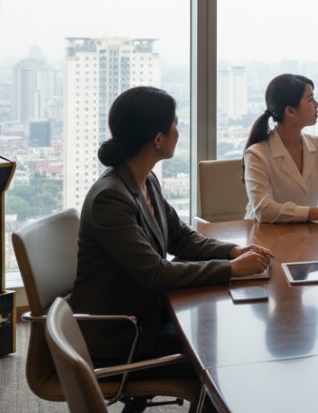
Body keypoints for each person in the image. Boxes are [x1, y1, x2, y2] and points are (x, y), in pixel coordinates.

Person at [71, 86, 274, 363]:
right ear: (157, 138)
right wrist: (232, 270)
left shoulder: (145, 180)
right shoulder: (110, 198)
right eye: (175, 124)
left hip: (147, 311)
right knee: (219, 348)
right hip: (122, 334)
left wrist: (232, 252)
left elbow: (180, 239)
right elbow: (156, 273)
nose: (179, 131)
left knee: (222, 330)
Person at [243, 74, 318, 223]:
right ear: (290, 111)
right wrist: (315, 213)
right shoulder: (257, 153)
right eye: (310, 100)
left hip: (306, 235)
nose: (317, 105)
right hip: (263, 236)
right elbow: (265, 210)